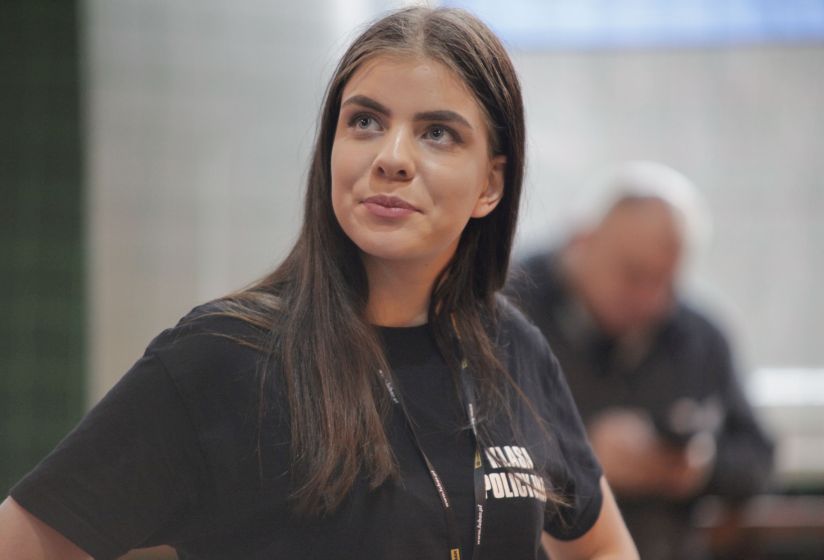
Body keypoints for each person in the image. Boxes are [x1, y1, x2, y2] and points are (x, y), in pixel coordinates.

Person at [0, 8, 637, 560]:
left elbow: (600, 544)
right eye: (365, 122)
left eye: (436, 133)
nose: (391, 157)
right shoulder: (223, 356)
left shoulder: (510, 346)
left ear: (490, 185)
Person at [507, 161, 775, 560]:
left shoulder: (698, 336)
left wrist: (700, 468)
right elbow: (462, 444)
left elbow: (758, 456)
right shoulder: (505, 308)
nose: (649, 298)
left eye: (665, 280)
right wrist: (581, 454)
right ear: (582, 242)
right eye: (633, 275)